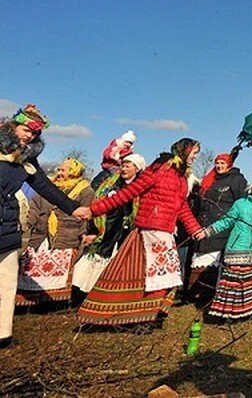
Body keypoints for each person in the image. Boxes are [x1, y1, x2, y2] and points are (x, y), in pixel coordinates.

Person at [74, 138, 205, 328]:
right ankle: (138, 316)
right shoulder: (158, 170)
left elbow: (181, 205)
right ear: (185, 151)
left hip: (166, 231)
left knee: (164, 276)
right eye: (194, 152)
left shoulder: (181, 177)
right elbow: (127, 193)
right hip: (151, 229)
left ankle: (151, 313)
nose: (195, 157)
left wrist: (195, 229)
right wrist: (94, 210)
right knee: (154, 275)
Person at [0, 112, 81, 348]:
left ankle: (3, 333)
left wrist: (73, 208)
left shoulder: (27, 159)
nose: (30, 136)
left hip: (8, 226)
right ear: (14, 126)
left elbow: (44, 186)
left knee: (6, 281)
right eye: (27, 130)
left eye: (35, 133)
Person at [16, 158, 95, 307]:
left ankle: (58, 302)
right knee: (32, 266)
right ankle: (32, 300)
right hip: (41, 235)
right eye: (59, 169)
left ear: (74, 172)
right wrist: (25, 226)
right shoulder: (47, 188)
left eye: (63, 170)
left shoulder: (85, 191)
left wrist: (84, 233)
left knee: (62, 269)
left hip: (66, 236)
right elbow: (34, 208)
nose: (59, 173)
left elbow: (85, 215)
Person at [203, 177, 252, 320]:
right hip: (237, 248)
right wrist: (209, 231)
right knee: (235, 285)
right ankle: (230, 313)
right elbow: (227, 221)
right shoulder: (241, 204)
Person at [72, 154, 146, 295]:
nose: (123, 169)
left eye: (127, 166)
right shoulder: (110, 184)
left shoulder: (141, 187)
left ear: (137, 169)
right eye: (123, 165)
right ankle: (83, 294)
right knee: (96, 260)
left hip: (127, 232)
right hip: (108, 229)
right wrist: (93, 229)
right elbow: (98, 203)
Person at [188, 152, 248, 301]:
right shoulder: (211, 179)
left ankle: (211, 292)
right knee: (200, 257)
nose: (219, 166)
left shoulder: (236, 180)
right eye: (217, 163)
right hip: (205, 222)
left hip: (224, 224)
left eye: (223, 163)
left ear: (229, 164)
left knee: (214, 258)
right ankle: (195, 290)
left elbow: (240, 203)